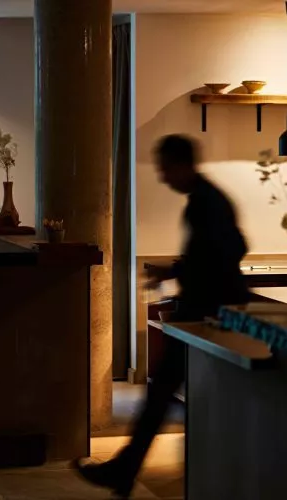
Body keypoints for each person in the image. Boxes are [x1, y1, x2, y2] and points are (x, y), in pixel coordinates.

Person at [74, 134, 250, 498]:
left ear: (182, 165)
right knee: (169, 395)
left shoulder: (204, 203)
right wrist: (175, 271)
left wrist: (176, 272)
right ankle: (133, 470)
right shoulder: (206, 200)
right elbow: (226, 249)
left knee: (166, 395)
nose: (162, 176)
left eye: (165, 167)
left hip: (206, 313)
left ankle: (133, 470)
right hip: (208, 311)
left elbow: (222, 253)